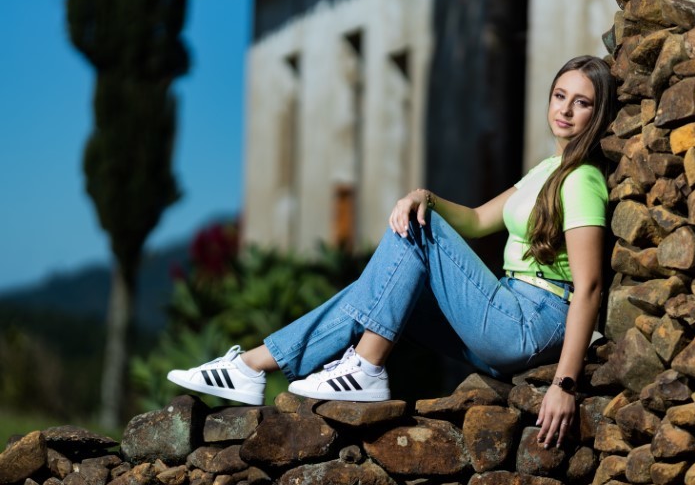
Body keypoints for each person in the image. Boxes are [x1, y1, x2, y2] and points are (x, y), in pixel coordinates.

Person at [167, 55, 617, 448]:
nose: (565, 110)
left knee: (417, 232)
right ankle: (254, 366)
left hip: (530, 323)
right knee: (385, 289)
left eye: (581, 103)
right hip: (507, 313)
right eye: (560, 96)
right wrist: (424, 196)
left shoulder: (582, 180)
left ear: (597, 115)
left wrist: (564, 384)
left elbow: (590, 288)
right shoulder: (549, 169)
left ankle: (364, 366)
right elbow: (479, 219)